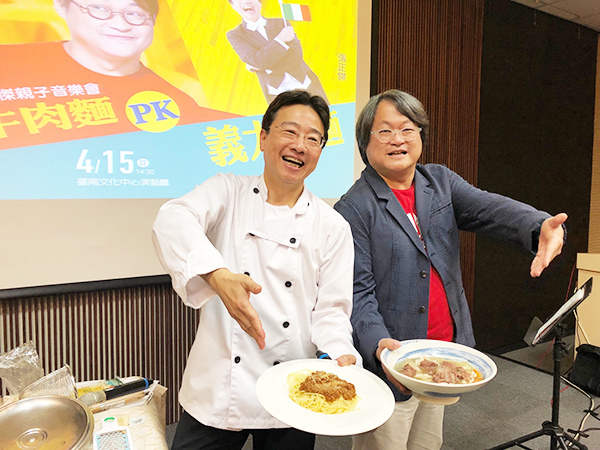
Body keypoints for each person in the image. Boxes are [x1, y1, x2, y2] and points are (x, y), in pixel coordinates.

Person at [333, 89, 568, 450]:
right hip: (393, 363)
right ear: (365, 142)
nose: (398, 139)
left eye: (407, 128)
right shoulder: (354, 208)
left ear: (421, 136)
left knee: (428, 444)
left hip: (442, 353)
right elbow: (357, 293)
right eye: (385, 130)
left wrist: (540, 226)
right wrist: (380, 348)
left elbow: (491, 208)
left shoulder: (439, 182)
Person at [152, 89, 360, 450]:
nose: (300, 146)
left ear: (320, 151)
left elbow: (331, 312)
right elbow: (172, 218)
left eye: (313, 139)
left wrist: (339, 351)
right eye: (290, 131)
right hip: (219, 387)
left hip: (293, 386)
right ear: (263, 137)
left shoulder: (333, 226)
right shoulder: (227, 191)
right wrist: (216, 275)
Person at [0, 0, 232, 150]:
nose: (121, 25)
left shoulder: (185, 99)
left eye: (135, 13)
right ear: (61, 6)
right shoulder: (11, 66)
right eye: (100, 9)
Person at [226, 0, 329, 104]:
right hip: (277, 92)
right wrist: (280, 39)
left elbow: (297, 55)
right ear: (233, 5)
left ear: (260, 3)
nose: (247, 2)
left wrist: (266, 67)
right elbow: (257, 61)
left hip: (307, 83)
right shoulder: (235, 35)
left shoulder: (281, 23)